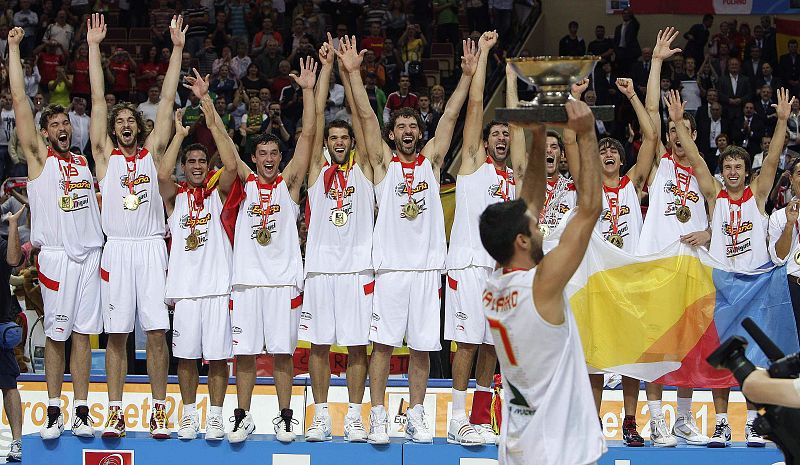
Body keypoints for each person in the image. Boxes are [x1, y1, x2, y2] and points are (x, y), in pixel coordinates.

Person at [346, 35, 477, 444]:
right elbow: (366, 119)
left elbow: (452, 116)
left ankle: (417, 414)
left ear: (420, 134)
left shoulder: (432, 161)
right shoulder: (383, 164)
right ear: (392, 134)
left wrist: (469, 76)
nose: (407, 130)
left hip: (425, 271)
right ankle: (380, 416)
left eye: (412, 126)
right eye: (400, 126)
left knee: (422, 349)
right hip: (389, 272)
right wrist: (352, 73)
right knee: (381, 347)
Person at [480, 99, 606, 465]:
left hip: (519, 443)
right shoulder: (542, 285)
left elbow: (529, 204)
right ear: (522, 241)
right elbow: (590, 210)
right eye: (534, 228)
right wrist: (585, 135)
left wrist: (538, 135)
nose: (540, 225)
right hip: (555, 450)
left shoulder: (494, 287)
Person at [667, 87, 792, 448]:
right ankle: (721, 424)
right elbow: (696, 160)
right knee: (721, 360)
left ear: (746, 171)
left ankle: (754, 422)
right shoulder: (713, 194)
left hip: (754, 287)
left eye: (739, 166)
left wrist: (782, 121)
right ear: (722, 172)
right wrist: (676, 122)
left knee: (753, 359)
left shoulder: (758, 193)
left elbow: (772, 159)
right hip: (720, 287)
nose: (733, 171)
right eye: (728, 167)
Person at [86, 13, 186, 439]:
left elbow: (166, 101)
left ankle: (160, 409)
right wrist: (94, 47)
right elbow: (97, 100)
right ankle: (114, 410)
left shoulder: (149, 154)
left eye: (131, 121)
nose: (125, 124)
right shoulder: (105, 159)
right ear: (112, 131)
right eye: (119, 122)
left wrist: (177, 49)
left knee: (158, 332)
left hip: (150, 248)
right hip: (118, 249)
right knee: (116, 336)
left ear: (139, 127)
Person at [9, 25, 104, 440]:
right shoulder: (39, 161)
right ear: (46, 133)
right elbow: (18, 101)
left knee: (84, 336)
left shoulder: (83, 164)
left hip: (90, 257)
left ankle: (81, 410)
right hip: (58, 259)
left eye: (67, 122)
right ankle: (52, 411)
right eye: (56, 123)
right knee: (56, 336)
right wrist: (14, 48)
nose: (64, 127)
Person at [225, 57, 317, 444]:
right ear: (254, 158)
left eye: (273, 155)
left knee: (282, 355)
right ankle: (242, 416)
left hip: (282, 283)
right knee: (244, 354)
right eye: (261, 154)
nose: (267, 160)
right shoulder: (245, 183)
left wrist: (309, 92)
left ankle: (284, 417)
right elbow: (223, 142)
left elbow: (309, 137)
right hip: (247, 282)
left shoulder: (289, 184)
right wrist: (210, 106)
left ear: (279, 159)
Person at [445, 31, 522, 447]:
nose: (502, 139)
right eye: (496, 134)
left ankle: (478, 417)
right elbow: (476, 106)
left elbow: (518, 128)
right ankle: (457, 418)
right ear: (484, 141)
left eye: (506, 136)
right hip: (468, 265)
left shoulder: (513, 178)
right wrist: (487, 57)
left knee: (491, 347)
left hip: (499, 274)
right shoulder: (473, 163)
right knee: (468, 343)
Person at [576, 77, 657, 447]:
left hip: (629, 283)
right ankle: (592, 424)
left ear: (621, 161)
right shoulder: (587, 188)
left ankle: (629, 422)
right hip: (596, 282)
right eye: (602, 150)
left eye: (613, 151)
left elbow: (652, 139)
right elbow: (574, 143)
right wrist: (575, 100)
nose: (607, 153)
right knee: (595, 359)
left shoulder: (631, 184)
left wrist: (632, 95)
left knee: (631, 360)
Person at [639, 27, 709, 448]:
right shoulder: (661, 165)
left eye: (684, 133)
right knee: (654, 350)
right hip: (656, 271)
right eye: (672, 135)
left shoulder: (704, 176)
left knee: (686, 349)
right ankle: (656, 421)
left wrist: (710, 231)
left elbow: (727, 214)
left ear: (695, 138)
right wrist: (657, 63)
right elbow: (651, 113)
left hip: (691, 273)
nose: (677, 140)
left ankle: (683, 420)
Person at [300, 37, 373, 443]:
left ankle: (358, 416)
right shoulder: (316, 172)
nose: (340, 141)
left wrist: (351, 71)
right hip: (321, 270)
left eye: (345, 138)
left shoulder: (364, 170)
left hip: (357, 269)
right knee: (320, 347)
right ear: (329, 144)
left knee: (357, 347)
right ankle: (323, 415)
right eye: (334, 138)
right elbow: (311, 128)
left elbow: (365, 122)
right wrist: (324, 73)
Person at [157, 94, 238, 440]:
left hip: (218, 288)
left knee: (218, 359)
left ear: (208, 165)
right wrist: (178, 135)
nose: (196, 166)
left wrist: (213, 119)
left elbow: (232, 167)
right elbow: (161, 173)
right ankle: (189, 415)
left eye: (202, 161)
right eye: (190, 161)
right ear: (184, 166)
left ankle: (216, 416)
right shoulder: (174, 196)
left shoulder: (217, 192)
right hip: (186, 292)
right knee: (187, 359)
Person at [1, 205, 25, 461]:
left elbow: (13, 260)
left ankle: (17, 442)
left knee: (9, 386)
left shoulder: (1, 244)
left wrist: (13, 226)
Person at [770, 160, 800, 342]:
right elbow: (779, 258)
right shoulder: (779, 217)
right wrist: (789, 225)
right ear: (791, 179)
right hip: (792, 289)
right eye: (799, 174)